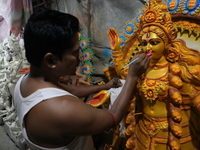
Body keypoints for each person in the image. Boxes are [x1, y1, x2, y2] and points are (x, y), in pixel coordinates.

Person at [13, 7, 150, 150]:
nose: (80, 57)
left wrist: (106, 86)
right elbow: (113, 117)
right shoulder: (61, 109)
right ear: (51, 61)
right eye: (74, 52)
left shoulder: (25, 82)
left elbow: (70, 89)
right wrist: (132, 77)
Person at [103, 0, 200, 150]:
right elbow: (125, 73)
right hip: (144, 132)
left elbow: (195, 97)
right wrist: (116, 51)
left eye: (154, 42)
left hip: (172, 135)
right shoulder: (141, 68)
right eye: (144, 43)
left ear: (166, 43)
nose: (147, 47)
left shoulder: (178, 70)